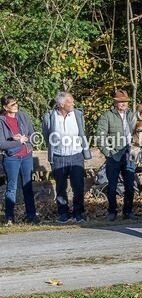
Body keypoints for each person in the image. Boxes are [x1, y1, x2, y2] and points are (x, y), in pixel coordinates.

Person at [42, 91, 91, 223]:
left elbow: (82, 132)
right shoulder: (49, 116)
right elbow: (47, 136)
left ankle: (78, 212)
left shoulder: (78, 114)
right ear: (61, 104)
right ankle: (63, 213)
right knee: (60, 187)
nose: (73, 103)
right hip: (59, 157)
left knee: (78, 186)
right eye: (70, 101)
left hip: (76, 155)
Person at [95, 89, 139, 221]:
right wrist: (107, 152)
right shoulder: (107, 116)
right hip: (114, 155)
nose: (123, 104)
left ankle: (128, 211)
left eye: (125, 101)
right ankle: (112, 211)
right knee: (112, 186)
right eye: (120, 102)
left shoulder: (133, 115)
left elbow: (140, 133)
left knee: (130, 185)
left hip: (129, 154)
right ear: (115, 103)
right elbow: (100, 136)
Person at [0, 95, 39, 224]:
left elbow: (32, 133)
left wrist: (30, 140)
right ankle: (9, 217)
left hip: (26, 155)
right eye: (12, 104)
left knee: (28, 186)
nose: (16, 105)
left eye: (16, 103)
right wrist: (17, 141)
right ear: (5, 107)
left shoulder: (23, 116)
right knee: (11, 188)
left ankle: (31, 215)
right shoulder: (1, 121)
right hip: (11, 158)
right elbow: (1, 144)